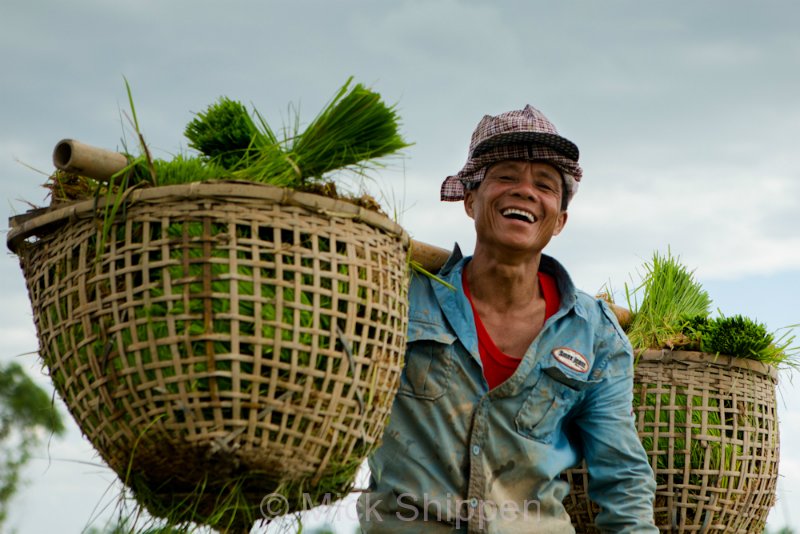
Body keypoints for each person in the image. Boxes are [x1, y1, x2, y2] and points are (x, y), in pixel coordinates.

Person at [358, 105, 657, 533]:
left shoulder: (593, 334)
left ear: (560, 220)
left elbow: (623, 480)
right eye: (506, 176)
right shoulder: (404, 301)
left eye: (545, 184)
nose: (525, 190)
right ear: (470, 198)